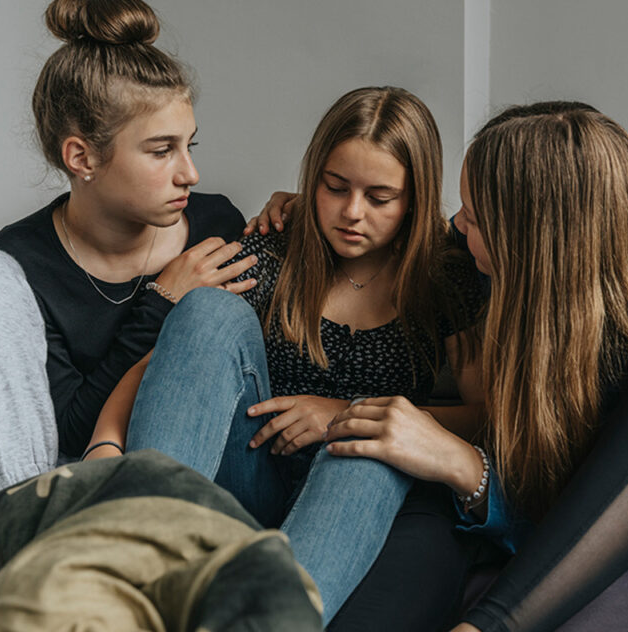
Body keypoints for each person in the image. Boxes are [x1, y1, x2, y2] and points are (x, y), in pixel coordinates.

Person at [322, 101, 628, 631]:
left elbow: (580, 500)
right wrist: (301, 213)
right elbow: (396, 229)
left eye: (475, 216)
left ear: (529, 243)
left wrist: (465, 465)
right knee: (397, 473)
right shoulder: (481, 273)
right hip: (516, 507)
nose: (457, 225)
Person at [87, 86, 485, 624]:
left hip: (349, 497)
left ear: (414, 198)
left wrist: (346, 414)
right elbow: (179, 358)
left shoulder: (443, 275)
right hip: (252, 474)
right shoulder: (274, 246)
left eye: (380, 198)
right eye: (335, 187)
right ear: (312, 176)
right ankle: (140, 554)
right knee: (207, 309)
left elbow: (482, 417)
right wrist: (105, 443)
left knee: (370, 447)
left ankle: (265, 618)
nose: (351, 213)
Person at [0, 0, 295, 532]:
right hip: (47, 479)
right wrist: (160, 304)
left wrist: (308, 215)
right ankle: (34, 545)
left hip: (173, 484)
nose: (190, 172)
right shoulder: (22, 266)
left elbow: (241, 373)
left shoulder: (216, 223)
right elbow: (65, 435)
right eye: (162, 151)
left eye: (189, 145)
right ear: (82, 158)